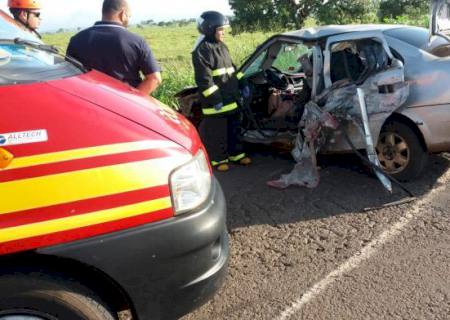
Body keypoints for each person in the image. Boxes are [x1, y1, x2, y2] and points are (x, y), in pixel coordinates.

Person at [192, 11, 251, 172]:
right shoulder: (201, 50)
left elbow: (232, 68)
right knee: (217, 133)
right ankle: (218, 160)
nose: (223, 33)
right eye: (220, 30)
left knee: (234, 129)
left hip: (231, 99)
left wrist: (243, 82)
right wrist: (215, 98)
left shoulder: (222, 46)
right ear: (210, 29)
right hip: (216, 104)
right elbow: (204, 80)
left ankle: (236, 155)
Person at [66, 0, 161, 96]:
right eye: (129, 16)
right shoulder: (136, 41)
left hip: (88, 103)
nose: (128, 19)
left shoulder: (77, 40)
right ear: (123, 14)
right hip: (123, 105)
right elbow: (154, 79)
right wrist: (133, 100)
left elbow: (68, 77)